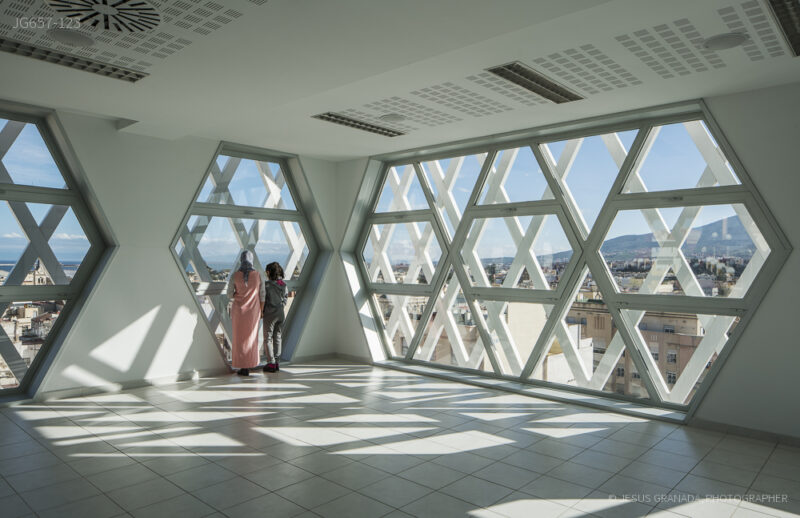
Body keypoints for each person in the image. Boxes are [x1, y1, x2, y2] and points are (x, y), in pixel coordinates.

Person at [227, 250, 265, 376]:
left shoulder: (235, 275)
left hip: (238, 312)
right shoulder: (258, 275)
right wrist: (261, 309)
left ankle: (242, 366)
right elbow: (262, 295)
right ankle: (251, 364)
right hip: (253, 312)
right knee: (252, 338)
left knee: (239, 339)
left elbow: (229, 294)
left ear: (241, 260)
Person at [263, 261, 288, 373]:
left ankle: (271, 363)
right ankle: (277, 362)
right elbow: (285, 299)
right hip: (280, 313)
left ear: (269, 272)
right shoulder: (283, 285)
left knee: (268, 338)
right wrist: (280, 306)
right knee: (277, 336)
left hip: (270, 313)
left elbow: (263, 299)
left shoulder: (267, 285)